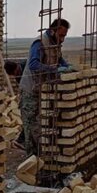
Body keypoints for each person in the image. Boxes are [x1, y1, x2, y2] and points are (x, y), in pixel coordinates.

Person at [19, 19, 74, 156]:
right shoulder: (39, 43)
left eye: (64, 36)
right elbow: (33, 65)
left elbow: (60, 60)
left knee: (40, 124)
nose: (62, 39)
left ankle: (40, 157)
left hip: (42, 90)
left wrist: (68, 68)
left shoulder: (55, 45)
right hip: (30, 89)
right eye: (61, 35)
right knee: (31, 126)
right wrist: (54, 69)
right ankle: (31, 161)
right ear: (52, 30)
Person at [4, 60, 26, 149]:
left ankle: (21, 140)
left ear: (16, 66)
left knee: (30, 119)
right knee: (28, 119)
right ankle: (22, 141)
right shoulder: (18, 75)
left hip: (35, 94)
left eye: (14, 73)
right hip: (28, 96)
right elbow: (22, 87)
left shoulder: (26, 67)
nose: (15, 75)